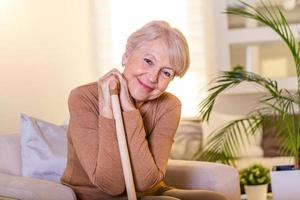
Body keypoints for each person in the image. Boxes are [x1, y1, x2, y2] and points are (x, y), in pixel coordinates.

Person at [61, 20, 228, 200]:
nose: (152, 77)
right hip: (94, 195)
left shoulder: (169, 106)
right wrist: (107, 110)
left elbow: (145, 182)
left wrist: (129, 109)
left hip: (149, 193)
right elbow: (111, 184)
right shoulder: (83, 97)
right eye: (148, 61)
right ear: (127, 55)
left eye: (166, 73)